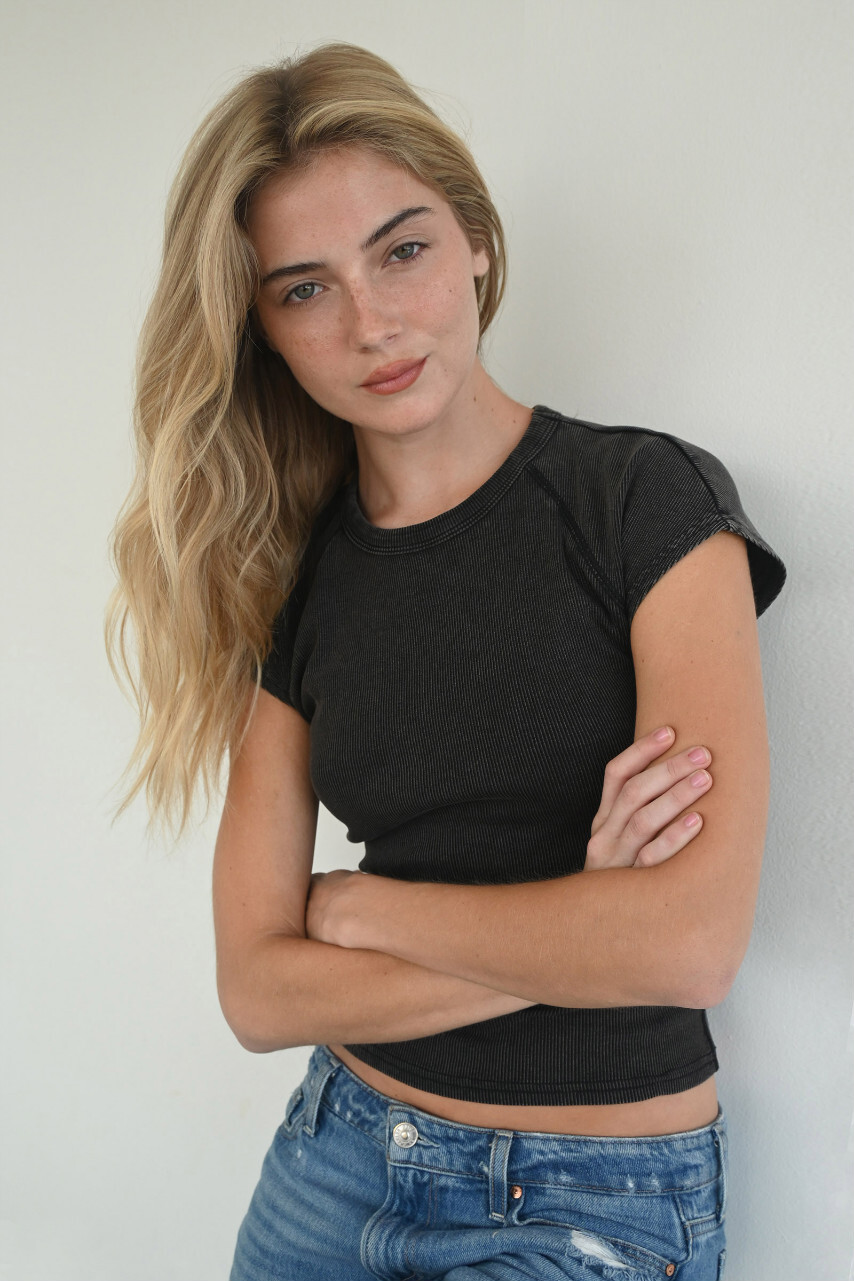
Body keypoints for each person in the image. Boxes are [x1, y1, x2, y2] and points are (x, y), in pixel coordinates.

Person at [105, 41, 787, 1280]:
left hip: (594, 1202)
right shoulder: (293, 578)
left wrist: (364, 911)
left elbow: (686, 946)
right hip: (335, 1162)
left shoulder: (642, 502)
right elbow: (259, 993)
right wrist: (578, 921)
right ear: (262, 332)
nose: (370, 323)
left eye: (401, 250)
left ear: (473, 238)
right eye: (303, 290)